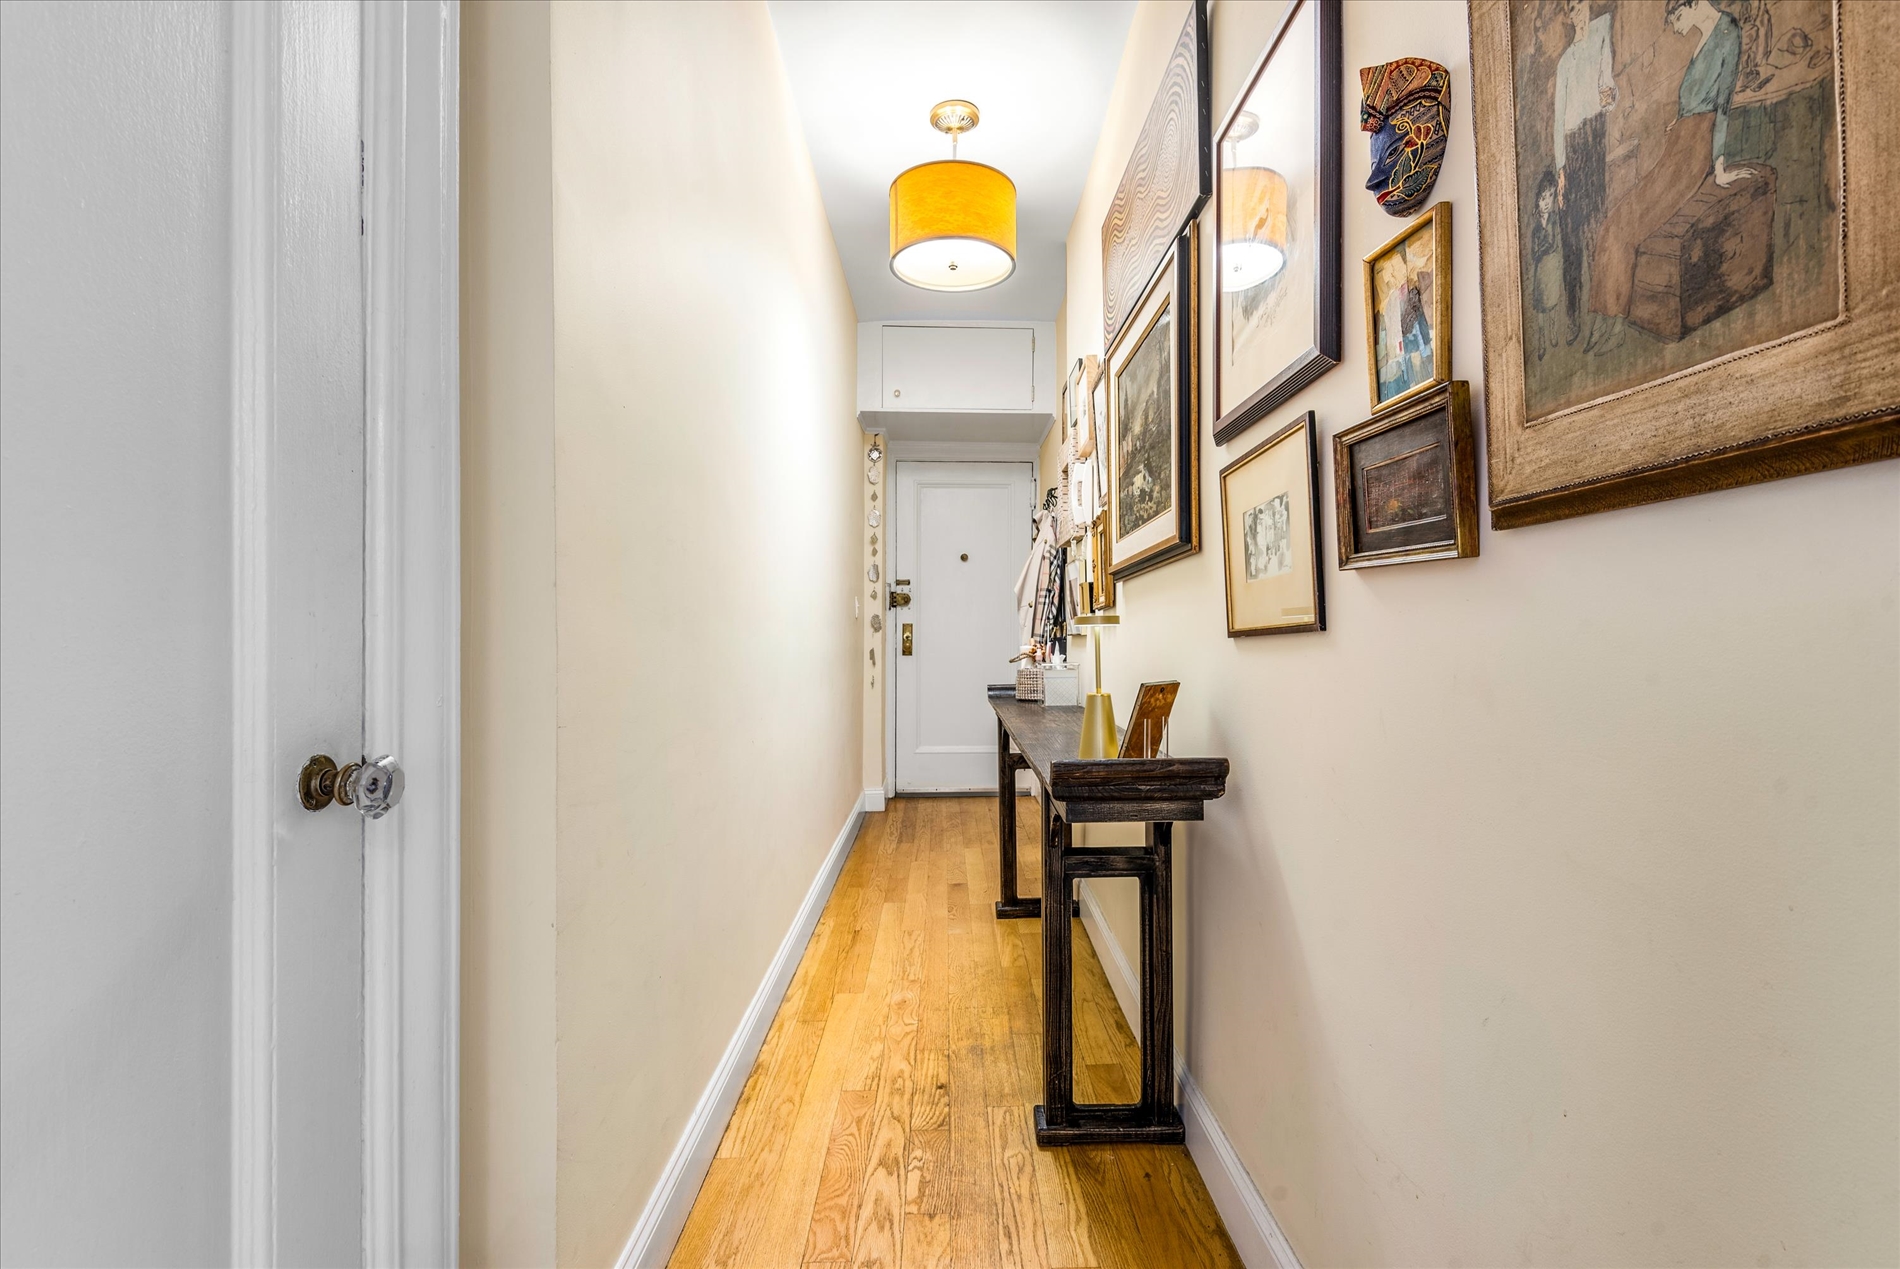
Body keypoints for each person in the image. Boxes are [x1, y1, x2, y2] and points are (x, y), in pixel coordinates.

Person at [1590, 0, 1756, 327]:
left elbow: (1722, 103)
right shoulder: (1703, 35)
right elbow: (1693, 99)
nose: (1675, 27)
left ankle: (1611, 318)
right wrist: (1679, 122)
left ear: (1691, 4)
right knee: (1614, 222)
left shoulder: (1727, 30)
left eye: (1675, 17)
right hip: (1679, 141)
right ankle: (1604, 315)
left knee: (1630, 227)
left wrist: (1718, 164)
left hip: (1696, 148)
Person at [1552, 0, 1615, 344]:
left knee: (1596, 226)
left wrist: (1609, 97)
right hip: (1572, 145)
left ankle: (1600, 310)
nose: (1575, 12)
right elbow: (1558, 119)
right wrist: (1561, 169)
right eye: (1570, 7)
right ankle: (1573, 315)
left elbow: (1608, 90)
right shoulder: (1565, 62)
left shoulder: (1603, 33)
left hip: (1593, 138)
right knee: (1570, 234)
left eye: (1579, 5)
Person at [1529, 169, 1565, 362]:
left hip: (1552, 266)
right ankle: (1541, 339)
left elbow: (1554, 244)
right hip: (1541, 270)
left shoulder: (1554, 222)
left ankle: (1553, 332)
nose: (1546, 202)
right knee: (1541, 306)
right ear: (1538, 200)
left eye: (1550, 197)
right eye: (1543, 197)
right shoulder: (1536, 228)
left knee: (1553, 301)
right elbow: (1535, 252)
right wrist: (1543, 248)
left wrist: (1545, 248)